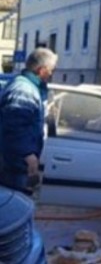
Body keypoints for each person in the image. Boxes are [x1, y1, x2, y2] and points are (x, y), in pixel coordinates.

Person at [0, 48, 58, 194]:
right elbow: (14, 127)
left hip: (16, 164)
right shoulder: (24, 90)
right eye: (52, 70)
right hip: (13, 166)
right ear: (42, 70)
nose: (52, 74)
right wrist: (27, 154)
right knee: (14, 210)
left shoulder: (29, 88)